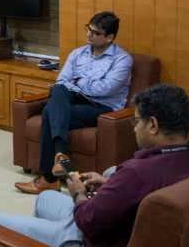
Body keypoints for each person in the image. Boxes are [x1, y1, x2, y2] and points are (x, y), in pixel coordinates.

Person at [0, 84, 189, 247]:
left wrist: (78, 193)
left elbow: (88, 221)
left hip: (91, 238)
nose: (134, 128)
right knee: (44, 199)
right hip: (120, 225)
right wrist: (110, 183)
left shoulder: (136, 173)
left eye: (137, 121)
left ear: (153, 125)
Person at [14, 12, 133, 194]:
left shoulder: (122, 59)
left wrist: (77, 82)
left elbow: (105, 89)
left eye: (95, 32)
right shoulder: (77, 53)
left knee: (49, 112)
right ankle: (60, 156)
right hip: (73, 100)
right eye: (88, 29)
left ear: (109, 37)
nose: (89, 34)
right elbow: (61, 82)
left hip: (102, 109)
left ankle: (50, 179)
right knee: (58, 91)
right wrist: (77, 85)